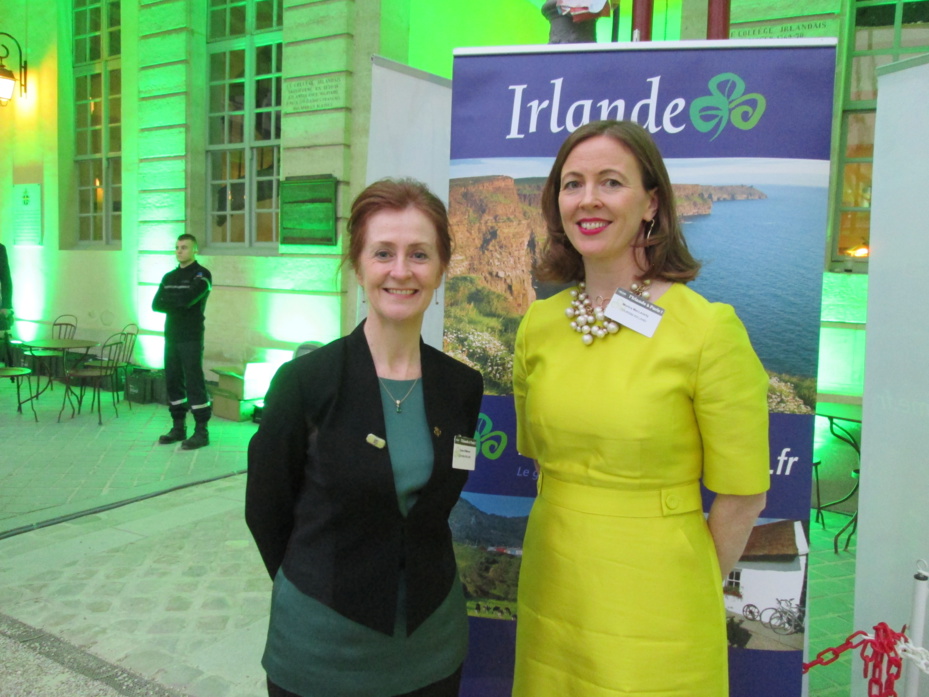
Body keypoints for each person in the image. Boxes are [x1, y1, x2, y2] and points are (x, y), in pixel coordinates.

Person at [511, 120, 770, 697]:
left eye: (611, 182)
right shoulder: (538, 326)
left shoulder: (706, 329)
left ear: (651, 202)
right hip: (554, 582)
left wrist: (690, 580)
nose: (589, 200)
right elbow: (542, 462)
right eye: (572, 184)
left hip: (660, 597)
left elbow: (746, 491)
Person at [246, 178, 484, 697]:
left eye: (419, 254)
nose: (401, 270)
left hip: (433, 649)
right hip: (321, 653)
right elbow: (266, 509)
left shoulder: (461, 387)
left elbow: (438, 502)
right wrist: (314, 582)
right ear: (357, 265)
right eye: (383, 253)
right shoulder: (305, 384)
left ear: (442, 268)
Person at [152, 233, 213, 450]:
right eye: (177, 247)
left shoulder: (202, 275)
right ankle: (178, 427)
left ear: (195, 250)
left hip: (191, 336)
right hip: (172, 336)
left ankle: (201, 431)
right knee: (173, 380)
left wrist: (174, 301)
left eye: (184, 247)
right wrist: (176, 302)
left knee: (194, 382)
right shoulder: (169, 277)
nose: (179, 251)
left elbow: (188, 301)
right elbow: (156, 304)